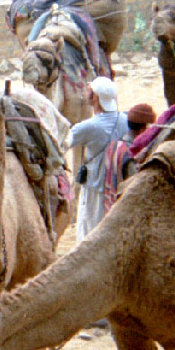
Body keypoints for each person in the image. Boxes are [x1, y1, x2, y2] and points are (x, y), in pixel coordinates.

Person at [64, 76, 129, 241]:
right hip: (118, 187)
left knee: (89, 235)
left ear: (95, 98)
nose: (86, 92)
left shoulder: (89, 127)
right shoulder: (126, 120)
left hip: (95, 188)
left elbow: (62, 142)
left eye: (89, 90)